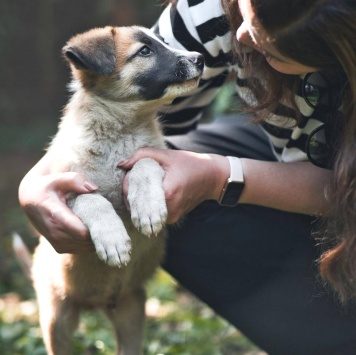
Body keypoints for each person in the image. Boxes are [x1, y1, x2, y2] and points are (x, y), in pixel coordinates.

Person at [19, 0, 356, 353]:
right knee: (175, 167)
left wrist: (217, 177)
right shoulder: (215, 11)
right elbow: (110, 104)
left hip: (338, 190)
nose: (240, 34)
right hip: (270, 147)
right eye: (246, 13)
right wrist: (33, 187)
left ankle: (321, 325)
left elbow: (342, 190)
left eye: (267, 42)